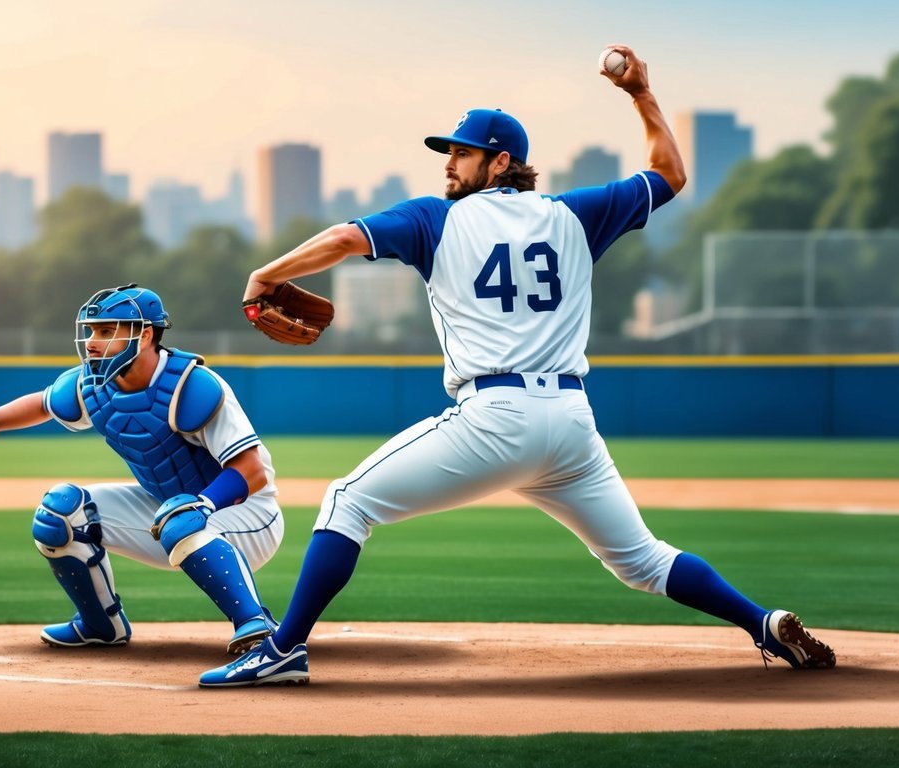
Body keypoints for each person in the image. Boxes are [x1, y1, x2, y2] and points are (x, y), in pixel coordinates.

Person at [201, 45, 835, 687]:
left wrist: (265, 273)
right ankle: (763, 622)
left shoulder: (434, 219)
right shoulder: (575, 214)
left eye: (462, 152)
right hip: (569, 425)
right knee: (641, 559)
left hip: (495, 416)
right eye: (449, 152)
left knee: (346, 501)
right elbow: (669, 173)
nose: (450, 162)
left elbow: (342, 239)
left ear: (500, 161)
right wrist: (640, 92)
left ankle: (282, 651)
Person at [0, 284, 282, 655]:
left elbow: (252, 470)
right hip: (165, 508)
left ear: (144, 335)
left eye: (107, 331)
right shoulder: (94, 384)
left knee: (181, 515)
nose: (93, 342)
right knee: (59, 513)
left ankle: (256, 626)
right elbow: (44, 404)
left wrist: (204, 506)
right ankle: (100, 625)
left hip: (245, 515)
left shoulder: (192, 386)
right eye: (93, 331)